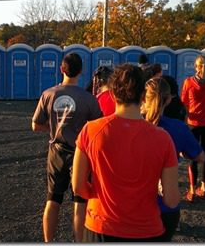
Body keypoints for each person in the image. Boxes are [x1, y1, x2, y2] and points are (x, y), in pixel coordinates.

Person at [72, 64, 180, 242]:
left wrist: (97, 194)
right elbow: (171, 200)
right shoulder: (163, 138)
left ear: (113, 94)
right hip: (145, 229)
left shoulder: (91, 131)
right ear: (144, 97)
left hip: (101, 226)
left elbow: (78, 186)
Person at [31, 52, 103, 242]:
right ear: (81, 71)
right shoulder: (88, 99)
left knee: (52, 200)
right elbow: (97, 127)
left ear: (62, 69)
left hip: (56, 152)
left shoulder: (48, 94)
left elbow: (35, 125)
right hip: (81, 153)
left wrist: (54, 127)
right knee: (79, 203)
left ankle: (48, 241)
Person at [142, 76, 205, 241]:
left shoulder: (130, 125)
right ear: (169, 99)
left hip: (134, 204)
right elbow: (200, 157)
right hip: (165, 206)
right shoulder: (177, 128)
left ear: (144, 97)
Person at [180, 54, 205, 202]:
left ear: (196, 66)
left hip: (193, 123)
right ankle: (203, 187)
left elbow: (183, 101)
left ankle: (191, 190)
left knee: (192, 157)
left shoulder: (189, 82)